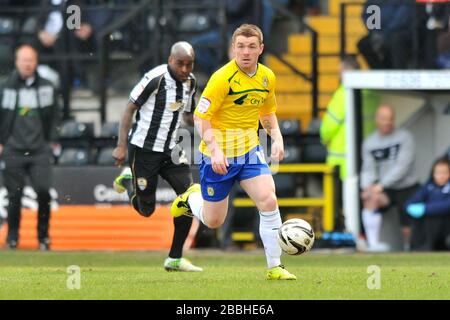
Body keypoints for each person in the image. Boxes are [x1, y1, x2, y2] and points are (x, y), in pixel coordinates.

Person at [171, 24, 297, 280]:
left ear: (261, 49)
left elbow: (266, 111)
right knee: (213, 220)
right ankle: (189, 200)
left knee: (269, 200)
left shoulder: (267, 77)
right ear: (233, 49)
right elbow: (200, 117)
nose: (245, 52)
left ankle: (275, 267)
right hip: (218, 156)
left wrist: (277, 139)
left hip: (250, 151)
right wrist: (215, 151)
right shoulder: (222, 78)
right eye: (240, 46)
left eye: (251, 46)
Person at [112, 41, 202, 272]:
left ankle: (174, 258)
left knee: (189, 198)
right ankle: (127, 180)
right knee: (146, 210)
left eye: (189, 64)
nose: (184, 69)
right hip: (143, 151)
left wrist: (208, 125)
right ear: (170, 60)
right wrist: (121, 146)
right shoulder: (156, 78)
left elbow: (189, 116)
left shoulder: (191, 82)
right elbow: (129, 108)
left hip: (171, 149)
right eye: (180, 64)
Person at [0, 44, 60, 251]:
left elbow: (55, 115)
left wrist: (52, 139)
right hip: (13, 150)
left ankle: (43, 237)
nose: (27, 64)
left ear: (36, 62)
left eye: (31, 60)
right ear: (16, 62)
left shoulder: (47, 86)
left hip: (39, 150)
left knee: (44, 192)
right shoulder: (5, 86)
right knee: (13, 196)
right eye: (23, 60)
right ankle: (12, 238)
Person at [360, 105, 419, 252]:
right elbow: (368, 168)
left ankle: (408, 250)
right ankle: (373, 245)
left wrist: (381, 185)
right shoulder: (370, 142)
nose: (387, 122)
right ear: (377, 120)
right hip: (385, 188)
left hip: (407, 186)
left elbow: (402, 167)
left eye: (390, 119)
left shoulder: (405, 137)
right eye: (384, 119)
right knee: (370, 198)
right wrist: (367, 187)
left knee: (407, 227)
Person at [405, 157, 450, 251]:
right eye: (438, 173)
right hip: (427, 223)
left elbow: (447, 206)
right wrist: (410, 207)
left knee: (434, 218)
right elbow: (410, 203)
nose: (441, 176)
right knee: (418, 219)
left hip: (445, 223)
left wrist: (425, 209)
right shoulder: (429, 186)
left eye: (445, 173)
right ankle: (416, 248)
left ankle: (428, 247)